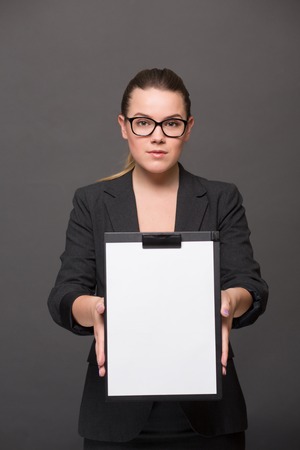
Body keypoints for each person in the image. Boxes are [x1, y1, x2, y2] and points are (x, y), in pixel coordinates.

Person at [48, 68, 268, 450]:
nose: (157, 136)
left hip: (209, 413)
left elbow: (250, 285)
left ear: (189, 127)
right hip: (116, 415)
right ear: (123, 126)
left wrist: (230, 301)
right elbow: (65, 294)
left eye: (172, 123)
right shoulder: (92, 202)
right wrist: (96, 308)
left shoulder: (221, 198)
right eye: (143, 122)